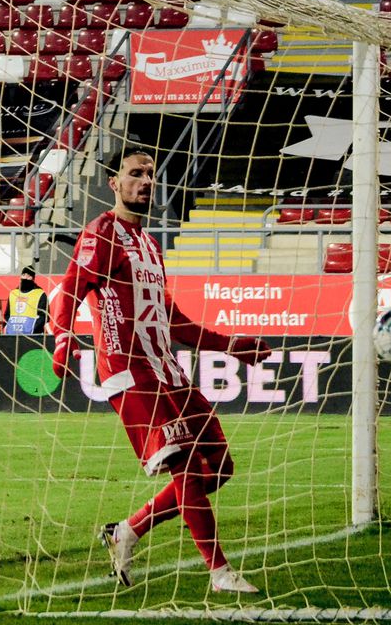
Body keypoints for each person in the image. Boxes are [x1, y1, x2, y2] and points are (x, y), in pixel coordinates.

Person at [48, 147, 271, 594]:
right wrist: (63, 339)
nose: (145, 181)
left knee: (218, 467)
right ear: (114, 182)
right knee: (188, 465)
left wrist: (229, 346)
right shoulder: (103, 234)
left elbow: (171, 318)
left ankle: (126, 531)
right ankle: (219, 571)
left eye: (149, 174)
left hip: (166, 368)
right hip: (130, 373)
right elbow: (68, 291)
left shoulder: (149, 243)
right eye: (135, 174)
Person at [1, 265, 48, 335]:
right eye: (23, 275)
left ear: (32, 278)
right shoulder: (13, 293)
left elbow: (44, 316)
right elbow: (7, 315)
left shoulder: (40, 294)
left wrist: (32, 329)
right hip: (13, 334)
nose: (25, 277)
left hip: (33, 335)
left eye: (28, 275)